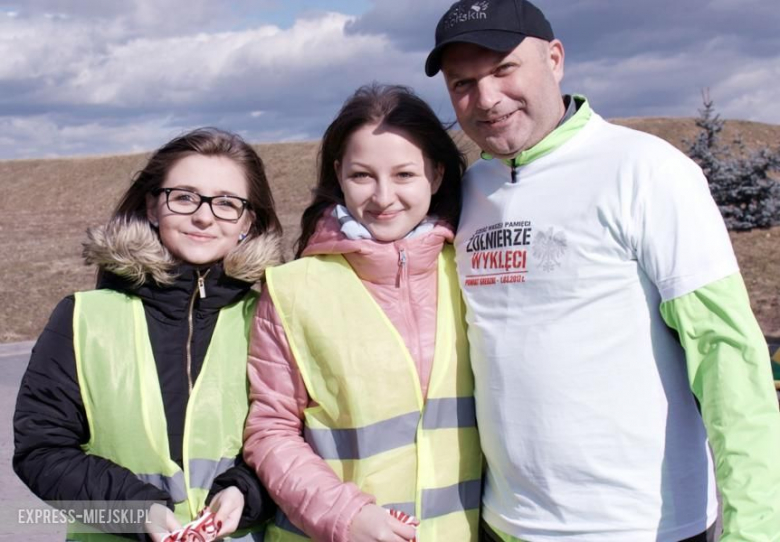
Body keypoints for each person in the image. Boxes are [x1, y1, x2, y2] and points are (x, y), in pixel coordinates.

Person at [424, 1, 780, 541]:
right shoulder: (468, 192)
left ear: (555, 59)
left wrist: (756, 528)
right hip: (504, 523)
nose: (487, 98)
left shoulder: (646, 171)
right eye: (462, 84)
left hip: (642, 526)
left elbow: (727, 354)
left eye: (503, 69)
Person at [13, 128, 283, 541]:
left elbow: (299, 439)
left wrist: (247, 491)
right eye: (184, 197)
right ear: (153, 207)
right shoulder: (83, 317)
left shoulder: (273, 317)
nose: (204, 216)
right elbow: (42, 449)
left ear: (248, 221)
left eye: (227, 203)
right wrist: (137, 512)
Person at [242, 83, 481, 542]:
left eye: (404, 174)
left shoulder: (473, 273)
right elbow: (270, 430)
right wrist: (345, 516)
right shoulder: (292, 289)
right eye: (362, 176)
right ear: (339, 174)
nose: (383, 196)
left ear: (435, 175)